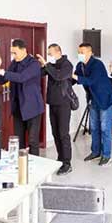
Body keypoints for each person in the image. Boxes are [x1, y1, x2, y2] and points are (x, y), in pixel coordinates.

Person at [0, 39, 45, 156]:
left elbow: (21, 77)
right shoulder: (14, 63)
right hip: (18, 108)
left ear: (24, 50)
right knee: (18, 140)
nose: (13, 55)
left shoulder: (34, 64)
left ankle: (34, 164)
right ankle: (21, 163)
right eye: (12, 53)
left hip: (33, 108)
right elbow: (2, 80)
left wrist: (1, 71)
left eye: (15, 53)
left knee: (33, 141)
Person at [73, 43, 112, 167]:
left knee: (105, 128)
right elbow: (74, 79)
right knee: (94, 128)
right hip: (92, 100)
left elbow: (90, 81)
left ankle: (106, 155)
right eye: (79, 52)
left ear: (90, 53)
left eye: (82, 52)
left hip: (104, 99)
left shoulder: (98, 64)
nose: (80, 54)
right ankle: (96, 152)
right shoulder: (80, 65)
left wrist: (73, 76)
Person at [37, 44, 74, 175]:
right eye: (48, 54)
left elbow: (59, 76)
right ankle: (60, 158)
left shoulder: (67, 65)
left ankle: (67, 163)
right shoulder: (51, 65)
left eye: (50, 53)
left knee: (63, 133)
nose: (49, 56)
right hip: (52, 103)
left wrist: (47, 65)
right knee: (55, 133)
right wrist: (36, 64)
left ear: (58, 52)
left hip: (64, 104)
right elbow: (40, 73)